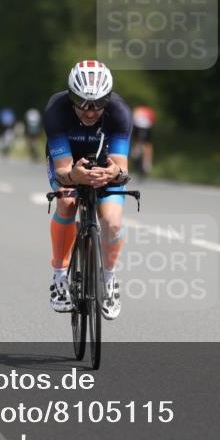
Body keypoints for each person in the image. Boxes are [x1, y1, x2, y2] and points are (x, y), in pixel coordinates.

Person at [44, 60, 131, 320]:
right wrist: (74, 175)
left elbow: (123, 170)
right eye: (82, 103)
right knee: (67, 202)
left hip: (104, 164)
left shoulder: (119, 112)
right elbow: (62, 171)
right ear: (71, 97)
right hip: (69, 162)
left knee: (112, 222)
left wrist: (113, 172)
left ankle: (109, 279)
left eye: (97, 105)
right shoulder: (56, 110)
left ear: (108, 99)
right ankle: (60, 277)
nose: (90, 112)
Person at [131, 105, 156, 177]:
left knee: (144, 144)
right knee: (146, 145)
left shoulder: (137, 111)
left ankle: (143, 161)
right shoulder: (146, 113)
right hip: (144, 129)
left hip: (140, 129)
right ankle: (146, 163)